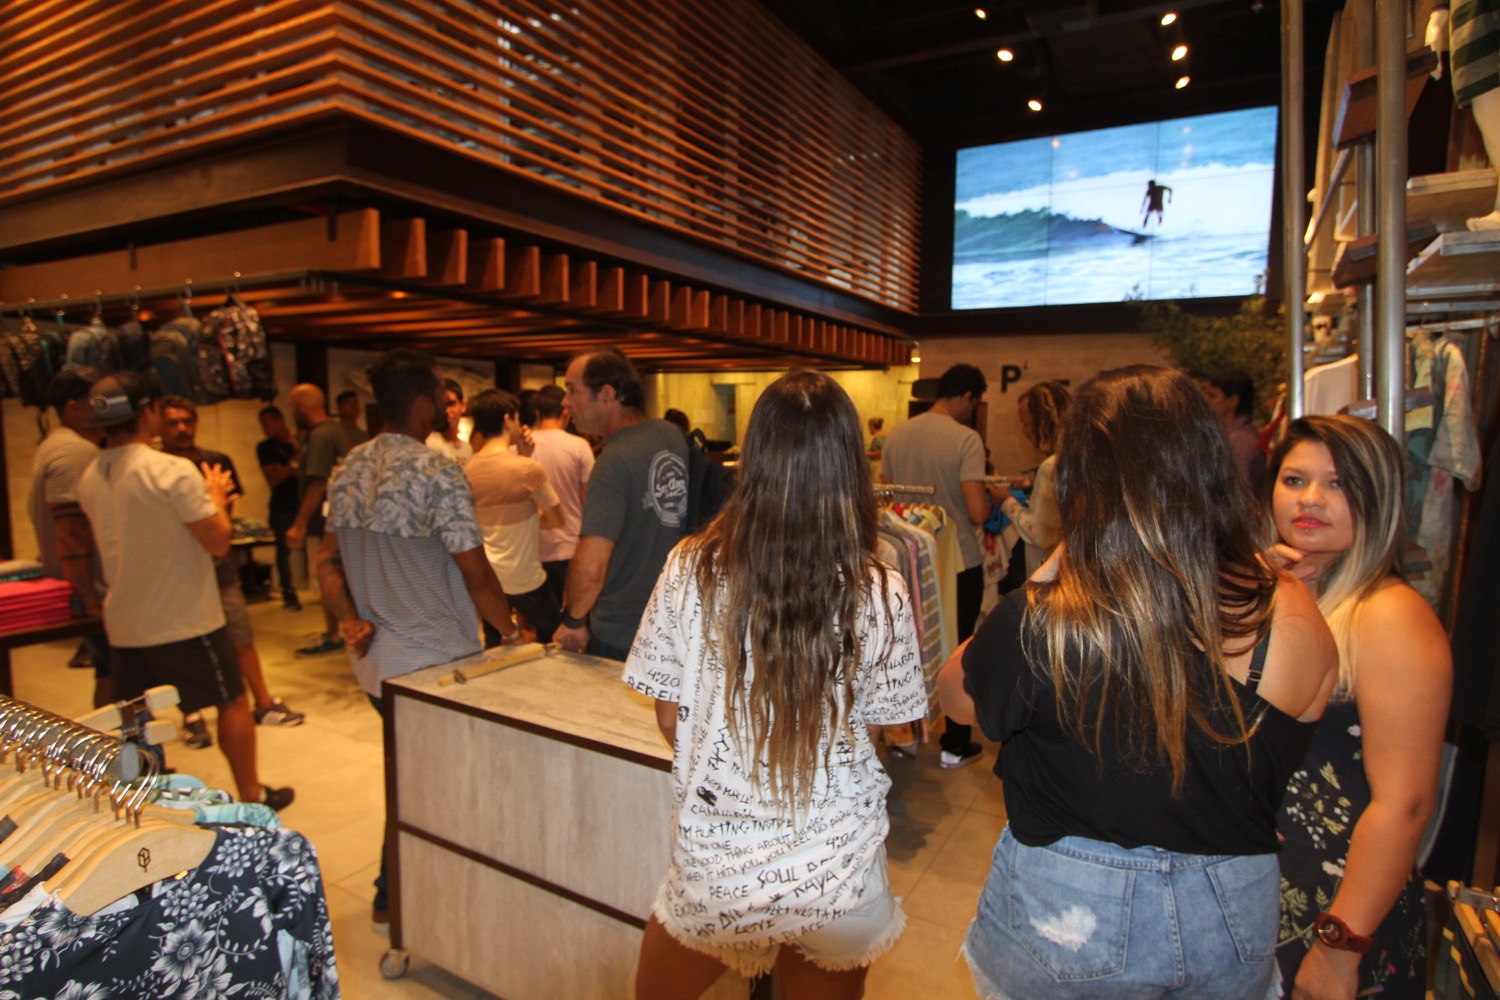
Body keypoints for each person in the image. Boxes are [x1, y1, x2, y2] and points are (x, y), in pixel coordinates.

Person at [939, 364, 1336, 1000]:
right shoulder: (1292, 612)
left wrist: (1064, 556)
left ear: (1081, 480)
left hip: (1072, 911)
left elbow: (956, 695)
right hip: (1232, 907)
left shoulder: (1045, 620)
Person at [624, 369, 927, 999]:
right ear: (850, 466)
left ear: (756, 458)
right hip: (837, 870)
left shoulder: (689, 568)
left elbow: (670, 718)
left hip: (720, 868)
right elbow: (878, 732)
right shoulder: (883, 589)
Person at [317, 348, 526, 927]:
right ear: (418, 403)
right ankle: (412, 901)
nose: (445, 402)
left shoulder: (349, 467)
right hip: (434, 664)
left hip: (376, 664)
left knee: (411, 780)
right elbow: (475, 572)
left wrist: (347, 617)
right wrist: (511, 631)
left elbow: (326, 560)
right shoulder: (437, 472)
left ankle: (397, 897)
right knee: (437, 790)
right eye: (438, 392)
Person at [1267, 415, 1452, 1000]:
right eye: (1295, 480)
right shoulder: (1286, 591)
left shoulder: (1389, 616)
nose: (1310, 499)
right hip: (1264, 893)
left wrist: (1339, 945)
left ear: (1379, 499)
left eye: (1338, 484)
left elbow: (1407, 802)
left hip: (1341, 906)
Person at [77, 372, 293, 811]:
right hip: (185, 617)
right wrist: (215, 496)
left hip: (125, 620)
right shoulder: (170, 470)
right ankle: (251, 798)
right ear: (148, 412)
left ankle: (135, 799)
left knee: (134, 716)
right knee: (231, 700)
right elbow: (218, 541)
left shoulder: (91, 475)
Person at [881, 362, 1005, 768]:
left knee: (907, 644)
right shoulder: (966, 439)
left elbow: (885, 495)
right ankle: (954, 744)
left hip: (904, 555)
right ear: (967, 397)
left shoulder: (898, 433)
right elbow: (976, 511)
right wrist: (992, 500)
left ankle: (904, 737)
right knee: (957, 648)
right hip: (956, 560)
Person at [160, 396, 305, 738]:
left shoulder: (216, 462)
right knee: (184, 645)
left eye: (187, 421)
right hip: (176, 570)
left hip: (219, 567)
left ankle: (264, 702)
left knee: (240, 636)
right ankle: (192, 713)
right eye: (173, 423)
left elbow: (223, 520)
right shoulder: (157, 468)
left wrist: (214, 511)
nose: (182, 429)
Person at [554, 349, 688, 661]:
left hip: (623, 630)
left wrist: (573, 621)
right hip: (674, 621)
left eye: (572, 390)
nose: (564, 402)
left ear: (606, 395)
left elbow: (593, 564)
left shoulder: (613, 462)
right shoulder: (671, 436)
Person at [27, 366, 112, 707]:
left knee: (112, 674)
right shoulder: (74, 452)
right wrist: (90, 602)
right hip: (91, 590)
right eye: (98, 402)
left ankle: (118, 741)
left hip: (87, 587)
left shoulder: (59, 445)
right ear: (74, 407)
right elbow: (72, 531)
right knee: (119, 676)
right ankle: (119, 742)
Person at [465, 388, 564, 644]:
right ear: (508, 419)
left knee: (494, 643)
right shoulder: (528, 469)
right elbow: (557, 520)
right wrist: (530, 516)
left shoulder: (466, 470)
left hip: (489, 580)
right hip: (525, 578)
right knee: (553, 639)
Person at [286, 382, 354, 657]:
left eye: (292, 407)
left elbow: (317, 482)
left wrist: (300, 523)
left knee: (327, 576)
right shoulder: (337, 431)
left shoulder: (321, 435)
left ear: (301, 407)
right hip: (344, 519)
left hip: (324, 521)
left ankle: (336, 633)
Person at [529, 383, 594, 605]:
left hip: (531, 547)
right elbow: (588, 498)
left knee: (540, 618)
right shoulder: (579, 446)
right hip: (570, 544)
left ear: (537, 413)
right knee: (571, 611)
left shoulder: (519, 447)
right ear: (565, 412)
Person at [1000, 381, 1069, 577]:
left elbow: (1038, 533)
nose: (1024, 431)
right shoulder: (1074, 459)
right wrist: (1032, 488)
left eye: (1026, 424)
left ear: (1043, 422)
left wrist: (1006, 501)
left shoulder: (1051, 467)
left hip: (1049, 573)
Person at [256, 405, 303, 611]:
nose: (265, 430)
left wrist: (286, 468)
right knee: (283, 551)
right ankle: (288, 593)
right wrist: (293, 465)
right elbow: (273, 479)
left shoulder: (299, 443)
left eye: (267, 425)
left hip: (304, 503)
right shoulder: (265, 448)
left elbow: (307, 473)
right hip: (282, 507)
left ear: (279, 421)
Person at [1203, 370, 1266, 492]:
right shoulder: (1234, 435)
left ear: (1232, 401)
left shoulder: (1239, 440)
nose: (1206, 401)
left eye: (1212, 396)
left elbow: (1231, 490)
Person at [425, 377, 473, 464]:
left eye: (451, 404)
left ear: (463, 406)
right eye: (441, 405)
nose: (447, 411)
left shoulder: (467, 449)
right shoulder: (430, 445)